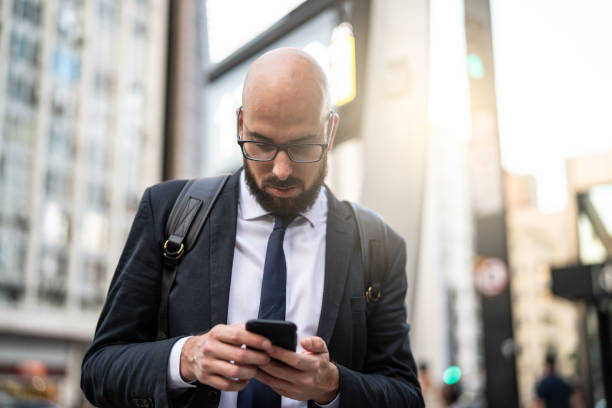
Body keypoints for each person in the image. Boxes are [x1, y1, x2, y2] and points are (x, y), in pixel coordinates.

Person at [81, 47, 424, 408]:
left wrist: (332, 385)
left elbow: (407, 397)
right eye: (261, 144)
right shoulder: (168, 212)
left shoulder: (377, 244)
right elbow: (99, 369)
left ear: (331, 130)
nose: (281, 170)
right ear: (241, 125)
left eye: (302, 146)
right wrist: (186, 358)